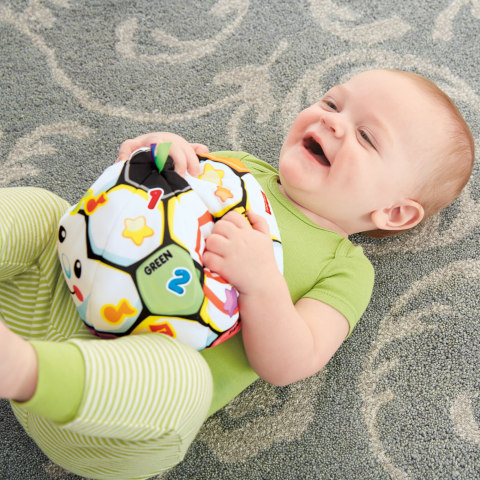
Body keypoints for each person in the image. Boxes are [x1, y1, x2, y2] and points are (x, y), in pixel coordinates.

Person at [0, 69, 474, 480]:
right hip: (52, 302)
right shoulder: (238, 170)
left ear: (393, 213)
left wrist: (261, 281)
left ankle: (19, 370)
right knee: (44, 210)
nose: (331, 120)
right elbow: (140, 200)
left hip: (107, 416)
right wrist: (156, 156)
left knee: (184, 379)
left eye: (367, 137)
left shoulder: (345, 269)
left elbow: (291, 363)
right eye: (332, 102)